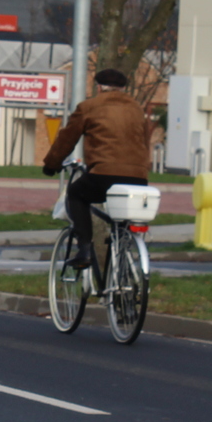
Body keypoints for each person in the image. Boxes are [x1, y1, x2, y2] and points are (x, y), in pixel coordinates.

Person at [42, 67, 151, 270]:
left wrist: (51, 164)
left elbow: (67, 139)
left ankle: (84, 249)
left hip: (104, 175)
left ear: (99, 87)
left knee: (76, 194)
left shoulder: (89, 106)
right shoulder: (137, 108)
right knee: (122, 217)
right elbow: (145, 142)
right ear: (123, 89)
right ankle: (124, 256)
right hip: (138, 177)